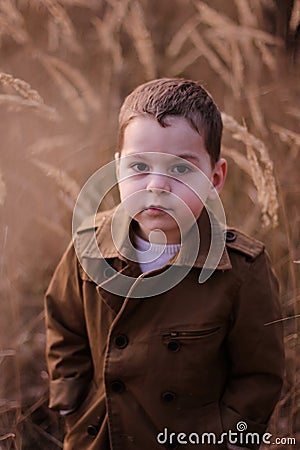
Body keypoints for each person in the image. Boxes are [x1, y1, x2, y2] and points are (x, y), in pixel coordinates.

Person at [45, 78, 284, 450]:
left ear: (215, 178)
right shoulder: (88, 245)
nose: (157, 184)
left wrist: (231, 438)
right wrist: (70, 404)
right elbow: (65, 326)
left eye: (181, 170)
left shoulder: (240, 270)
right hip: (101, 436)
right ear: (117, 168)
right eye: (139, 166)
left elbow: (258, 374)